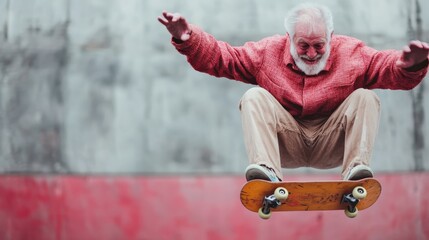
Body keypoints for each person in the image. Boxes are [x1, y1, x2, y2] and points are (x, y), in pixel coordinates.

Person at [158, 3, 429, 182]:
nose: (311, 54)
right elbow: (223, 58)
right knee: (254, 96)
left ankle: (354, 171)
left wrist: (410, 65)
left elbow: (387, 68)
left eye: (319, 45)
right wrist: (188, 38)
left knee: (366, 97)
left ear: (331, 37)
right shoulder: (266, 53)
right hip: (284, 145)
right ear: (288, 39)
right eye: (303, 46)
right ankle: (267, 171)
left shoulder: (352, 54)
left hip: (331, 144)